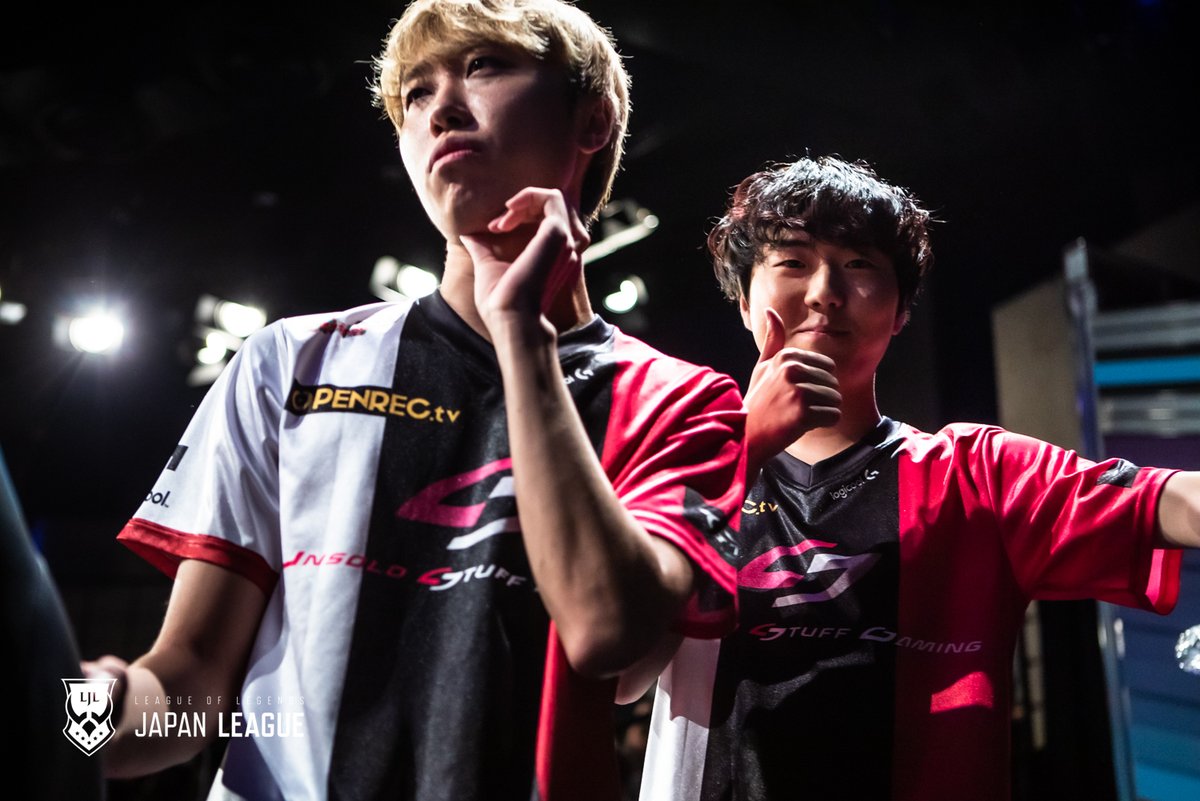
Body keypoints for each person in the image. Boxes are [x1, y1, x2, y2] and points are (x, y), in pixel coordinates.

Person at [80, 2, 748, 799]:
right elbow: (187, 687)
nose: (441, 110)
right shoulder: (290, 360)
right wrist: (72, 714)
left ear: (593, 120)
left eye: (483, 67)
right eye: (415, 93)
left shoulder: (682, 399)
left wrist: (520, 331)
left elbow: (607, 630)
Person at [631, 155, 1200, 801]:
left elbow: (1171, 500)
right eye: (792, 262)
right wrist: (746, 450)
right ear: (743, 300)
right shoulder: (678, 468)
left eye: (859, 264)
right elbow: (619, 661)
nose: (824, 291)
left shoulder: (978, 473)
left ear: (901, 310)